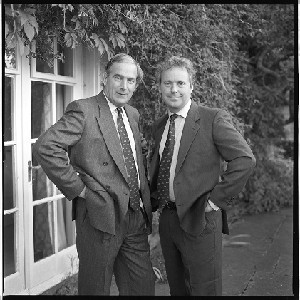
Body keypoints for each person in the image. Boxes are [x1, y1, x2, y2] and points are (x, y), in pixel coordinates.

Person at [33, 53, 155, 295]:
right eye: (118, 78)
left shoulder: (133, 114)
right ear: (105, 78)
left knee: (142, 286)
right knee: (95, 288)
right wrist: (79, 189)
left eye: (130, 80)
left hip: (135, 215)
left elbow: (135, 153)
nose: (124, 86)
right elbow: (46, 146)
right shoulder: (84, 110)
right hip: (100, 214)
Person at [149, 56, 256, 296]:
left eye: (180, 83)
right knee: (178, 290)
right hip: (168, 219)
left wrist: (214, 200)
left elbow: (244, 160)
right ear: (160, 87)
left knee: (204, 290)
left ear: (191, 86)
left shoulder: (212, 118)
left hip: (201, 218)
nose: (173, 89)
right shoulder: (159, 127)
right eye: (167, 83)